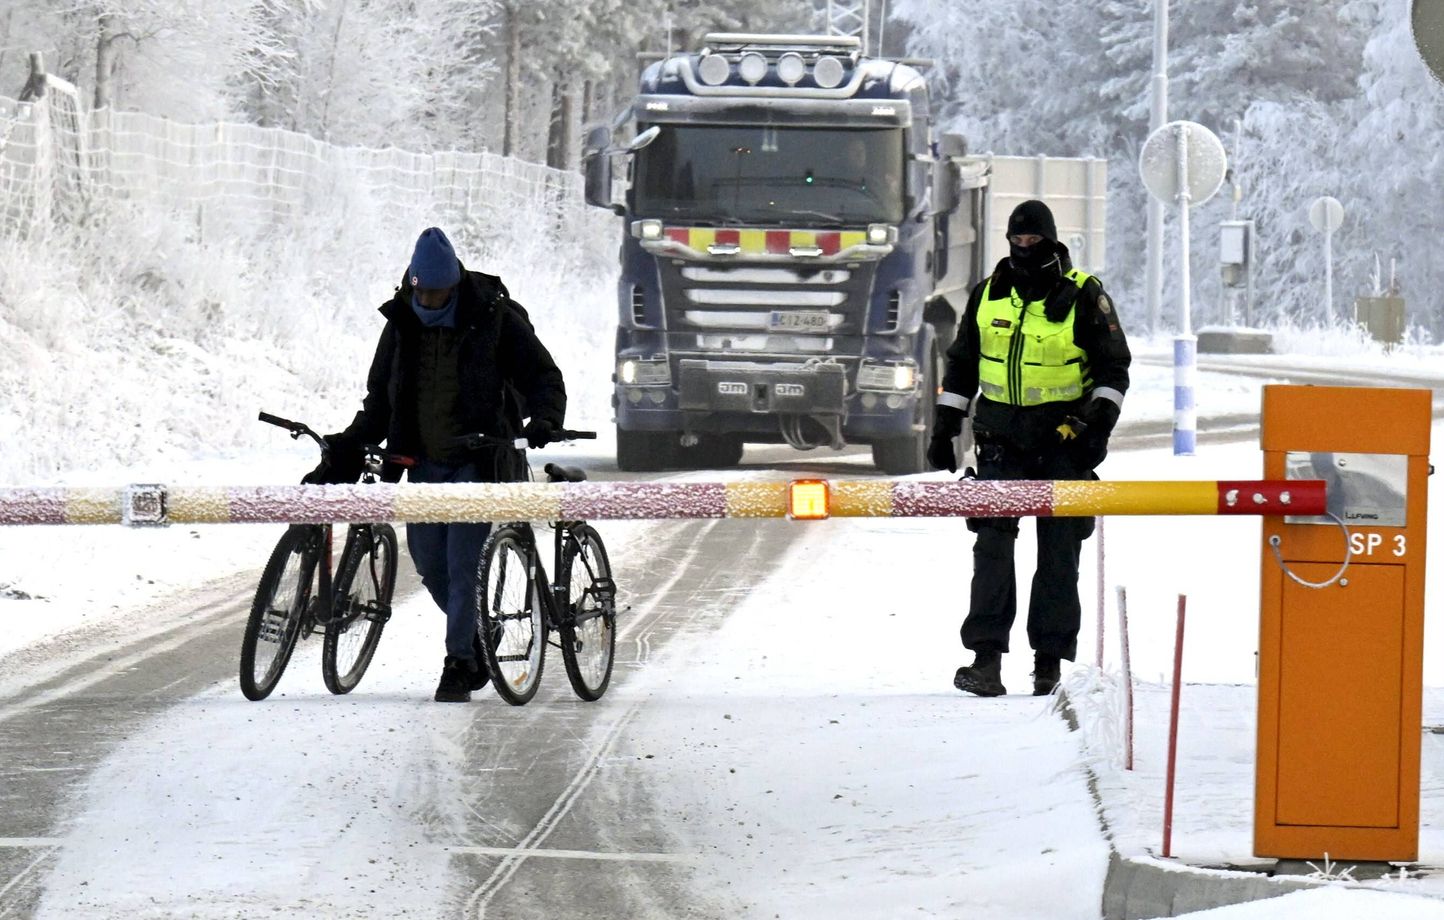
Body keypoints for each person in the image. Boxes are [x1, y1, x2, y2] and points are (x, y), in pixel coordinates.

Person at [305, 227, 567, 703]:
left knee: (463, 564)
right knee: (429, 564)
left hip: (477, 461)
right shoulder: (401, 324)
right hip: (422, 462)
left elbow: (544, 376)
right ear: (410, 283)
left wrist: (546, 417)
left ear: (455, 284)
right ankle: (477, 641)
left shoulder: (494, 317)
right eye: (420, 290)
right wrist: (349, 445)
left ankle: (458, 663)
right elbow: (380, 404)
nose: (427, 300)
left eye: (437, 293)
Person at [927, 200, 1131, 698]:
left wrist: (1094, 432)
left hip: (1063, 442)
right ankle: (986, 660)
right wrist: (944, 426)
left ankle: (1049, 666)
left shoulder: (1084, 295)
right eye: (1016, 241)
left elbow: (1113, 372)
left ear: (1050, 239)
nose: (1023, 248)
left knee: (1059, 554)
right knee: (992, 547)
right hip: (1000, 440)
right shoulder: (987, 295)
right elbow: (961, 367)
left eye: (1032, 240)